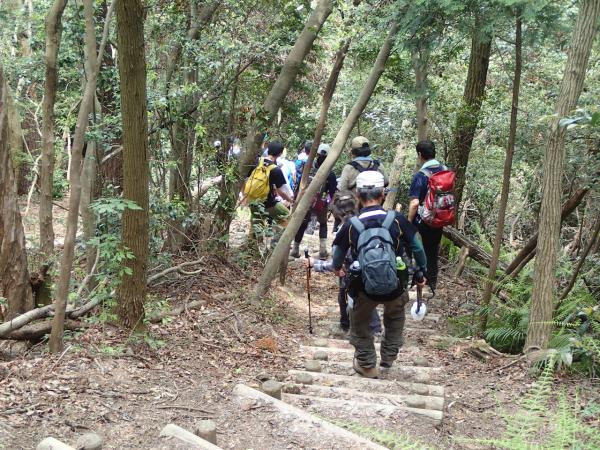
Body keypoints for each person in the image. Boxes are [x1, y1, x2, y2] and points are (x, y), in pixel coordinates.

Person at [332, 171, 427, 378]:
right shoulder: (397, 220)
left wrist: (337, 267)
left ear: (358, 195)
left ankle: (367, 364)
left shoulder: (351, 225)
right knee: (395, 317)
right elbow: (418, 248)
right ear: (382, 194)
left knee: (359, 323)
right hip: (396, 284)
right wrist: (421, 273)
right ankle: (388, 357)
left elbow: (337, 254)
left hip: (363, 286)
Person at [306, 190, 382, 334]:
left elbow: (337, 264)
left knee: (347, 296)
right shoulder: (366, 222)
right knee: (362, 298)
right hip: (372, 268)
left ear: (336, 212)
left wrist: (315, 264)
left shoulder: (344, 229)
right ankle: (368, 327)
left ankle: (354, 327)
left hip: (351, 274)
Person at [408, 140, 446, 292]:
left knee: (419, 250)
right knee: (433, 250)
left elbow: (415, 203)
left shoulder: (421, 175)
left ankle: (419, 281)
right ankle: (432, 283)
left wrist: (409, 221)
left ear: (420, 154)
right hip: (440, 217)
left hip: (423, 220)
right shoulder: (445, 170)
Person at [290, 143, 337, 260]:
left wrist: (297, 199)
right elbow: (332, 192)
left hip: (306, 201)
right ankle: (322, 250)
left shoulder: (308, 168)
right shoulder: (330, 173)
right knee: (323, 224)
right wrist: (328, 202)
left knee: (303, 224)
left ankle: (295, 249)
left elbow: (300, 184)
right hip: (321, 203)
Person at [244, 141, 293, 248]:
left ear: (268, 150)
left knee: (256, 223)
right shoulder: (276, 169)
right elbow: (281, 192)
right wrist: (291, 200)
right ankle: (275, 246)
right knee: (287, 217)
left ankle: (252, 249)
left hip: (252, 198)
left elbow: (246, 178)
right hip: (268, 202)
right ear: (280, 153)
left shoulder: (256, 161)